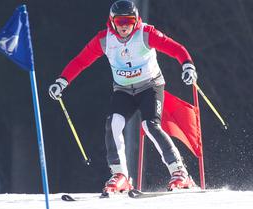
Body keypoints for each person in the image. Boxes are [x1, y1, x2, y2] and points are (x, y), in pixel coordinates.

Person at [49, 0, 197, 193]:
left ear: (136, 20)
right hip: (123, 90)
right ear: (112, 21)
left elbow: (176, 48)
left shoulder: (146, 33)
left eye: (129, 20)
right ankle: (120, 175)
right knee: (113, 124)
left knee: (150, 125)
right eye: (120, 21)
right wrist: (62, 81)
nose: (125, 26)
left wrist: (187, 65)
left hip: (150, 86)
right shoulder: (104, 40)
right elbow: (81, 61)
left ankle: (179, 172)